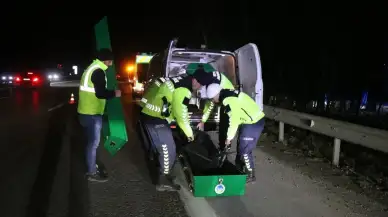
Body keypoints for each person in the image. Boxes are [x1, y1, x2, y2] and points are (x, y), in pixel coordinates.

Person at [139, 74, 196, 191]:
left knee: (165, 149)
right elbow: (180, 114)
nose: (199, 88)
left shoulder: (174, 81)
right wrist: (190, 134)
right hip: (155, 118)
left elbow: (171, 107)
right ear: (194, 81)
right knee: (168, 150)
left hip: (150, 115)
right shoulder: (183, 90)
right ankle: (162, 181)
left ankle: (165, 174)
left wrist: (170, 120)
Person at [205, 83, 265, 183]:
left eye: (212, 98)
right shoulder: (229, 93)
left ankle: (250, 175)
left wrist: (229, 138)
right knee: (241, 146)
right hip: (249, 121)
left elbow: (234, 120)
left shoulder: (228, 100)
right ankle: (241, 167)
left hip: (253, 122)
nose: (213, 101)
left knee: (245, 149)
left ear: (215, 95)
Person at [77, 48, 121, 182]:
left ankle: (92, 164)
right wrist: (114, 93)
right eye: (111, 60)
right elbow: (100, 93)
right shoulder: (98, 71)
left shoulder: (91, 67)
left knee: (90, 142)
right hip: (92, 113)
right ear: (108, 60)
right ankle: (92, 172)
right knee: (93, 143)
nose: (112, 63)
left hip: (84, 112)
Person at [191, 68, 235, 151]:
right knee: (223, 124)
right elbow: (209, 104)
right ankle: (222, 145)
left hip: (230, 100)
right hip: (223, 97)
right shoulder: (207, 80)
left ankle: (224, 147)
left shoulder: (211, 87)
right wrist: (203, 121)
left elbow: (210, 105)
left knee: (225, 125)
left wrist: (229, 137)